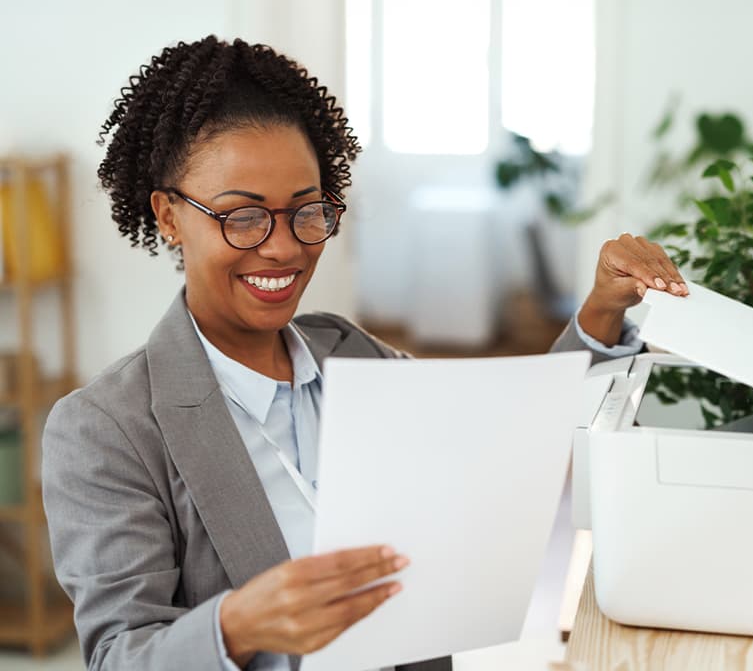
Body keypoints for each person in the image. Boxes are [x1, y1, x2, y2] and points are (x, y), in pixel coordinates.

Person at [42, 36, 688, 671]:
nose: (284, 248)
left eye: (308, 211)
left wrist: (603, 308)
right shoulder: (107, 429)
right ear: (168, 216)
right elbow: (119, 655)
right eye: (242, 217)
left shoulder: (349, 352)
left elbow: (516, 440)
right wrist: (233, 628)